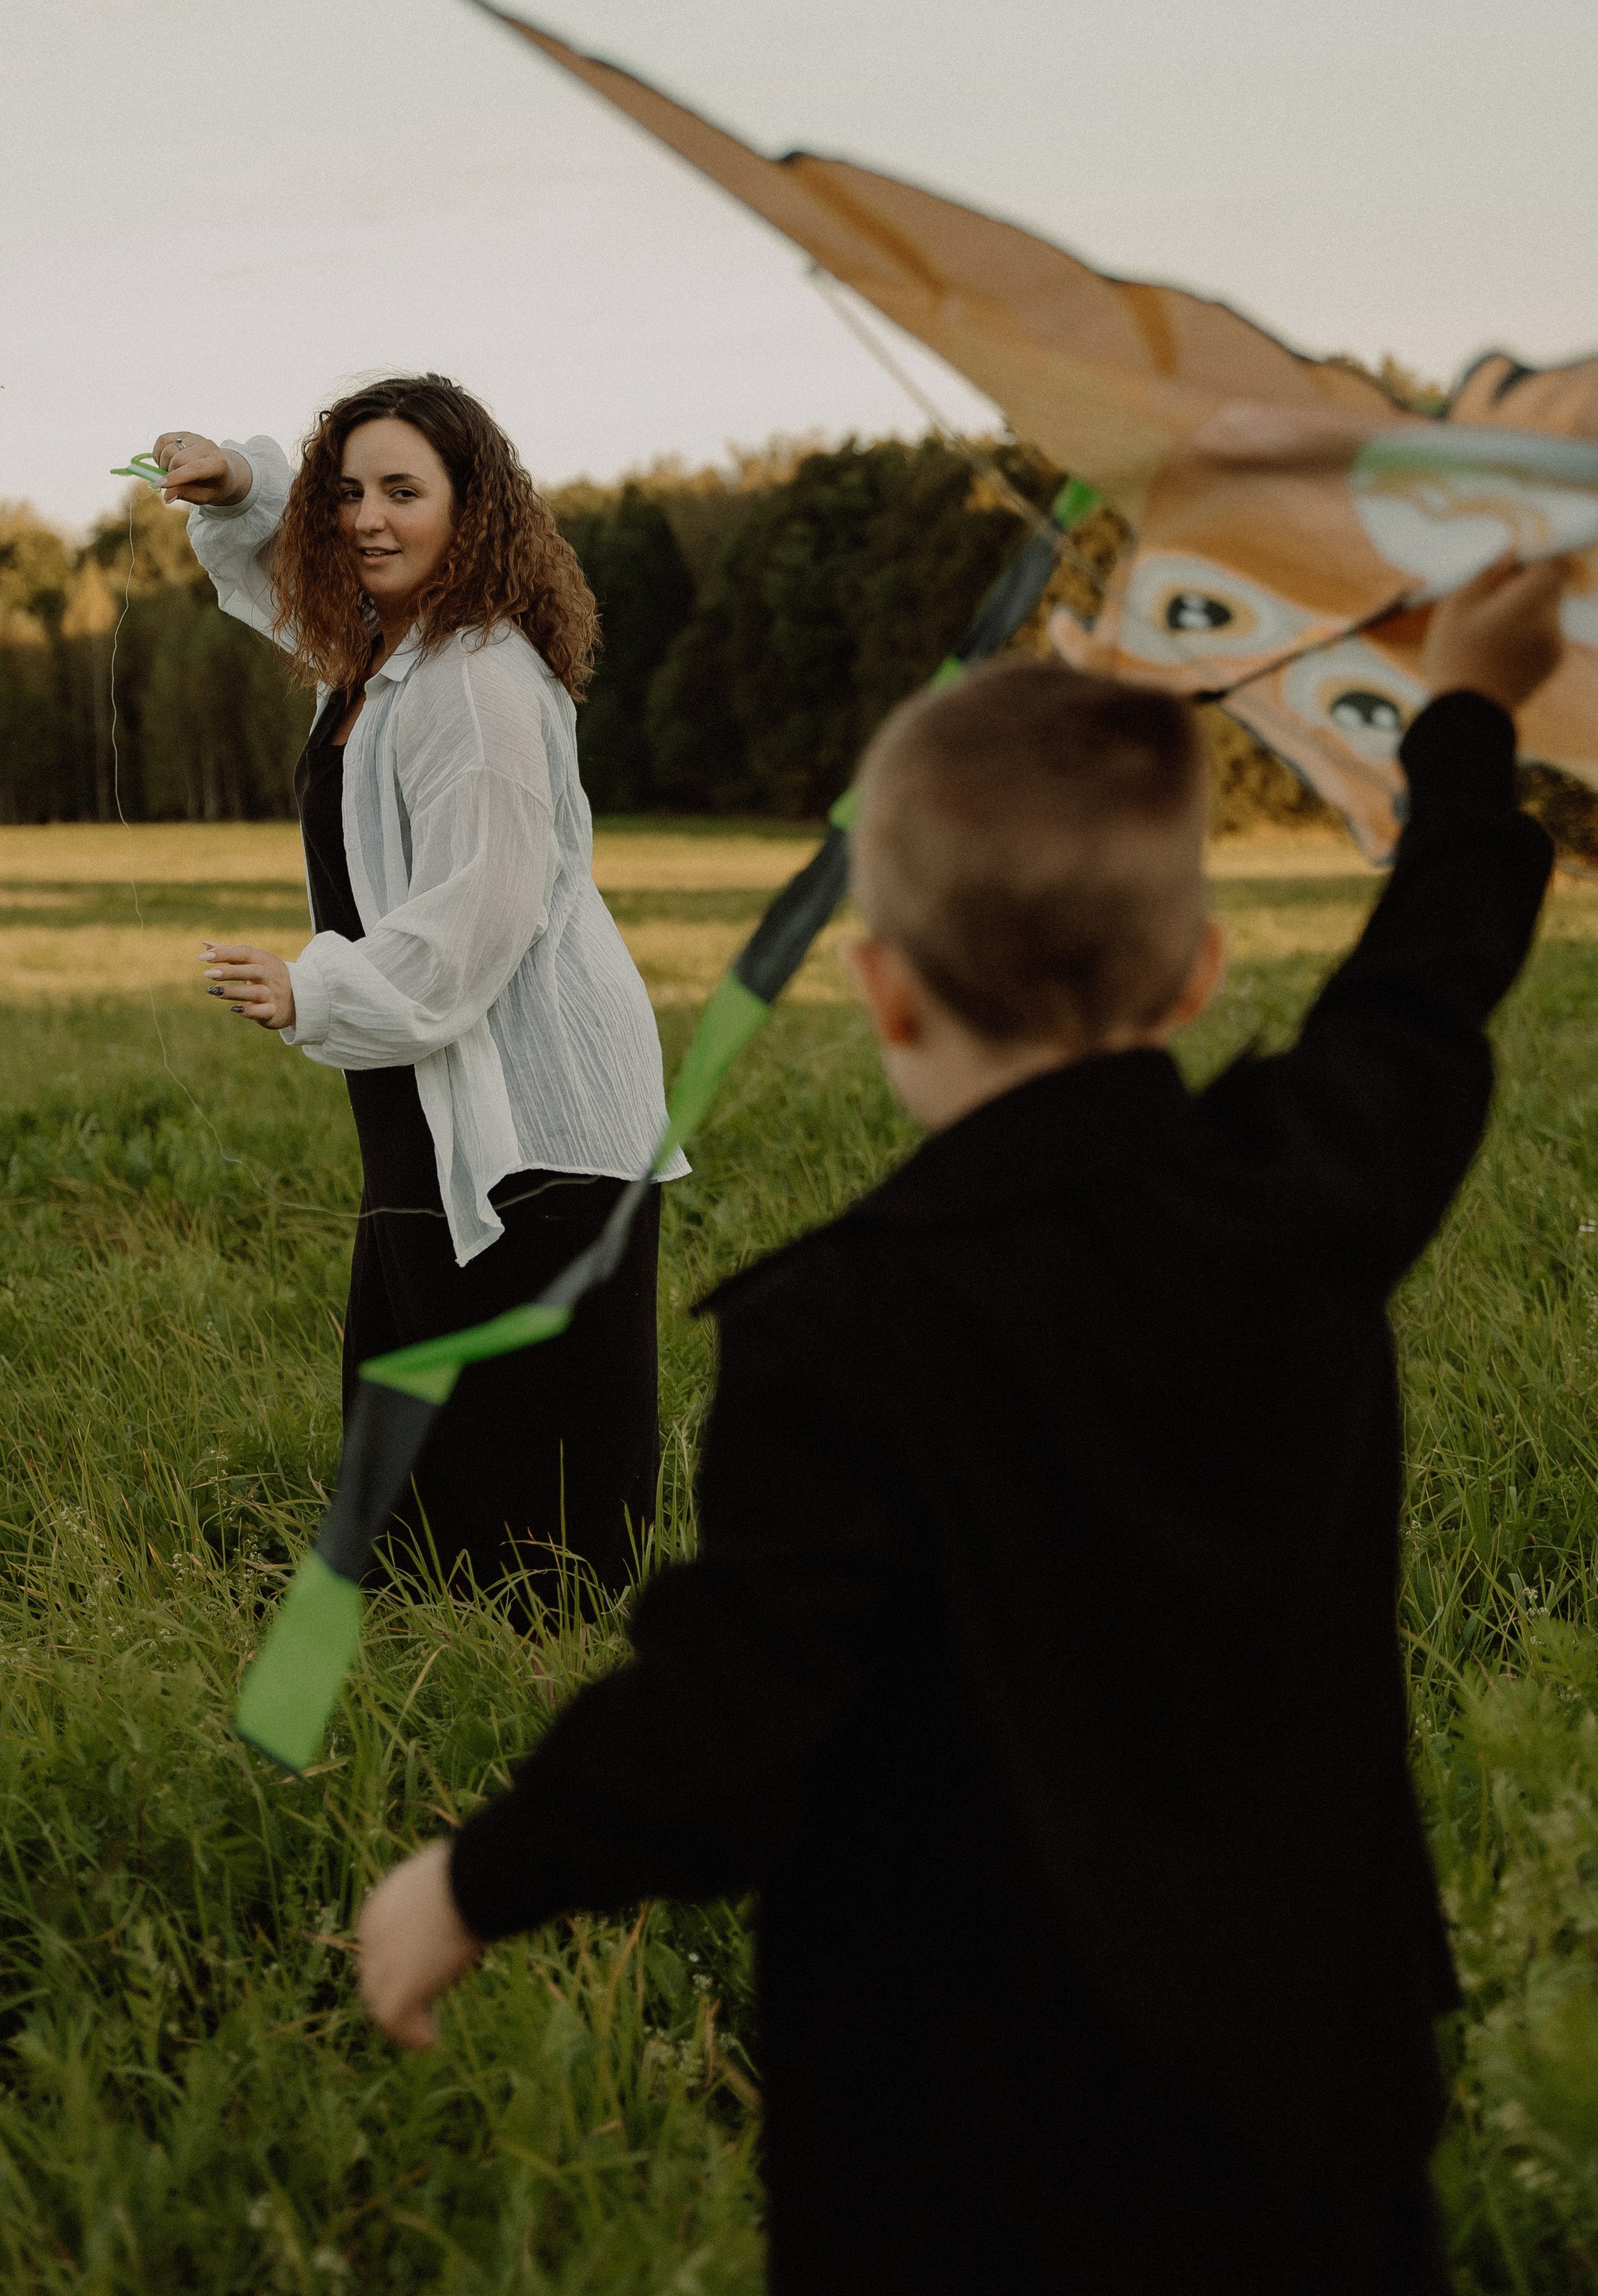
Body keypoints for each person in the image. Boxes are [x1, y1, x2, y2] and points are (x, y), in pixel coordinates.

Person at [353, 554, 1572, 2295]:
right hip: (1309, 2085)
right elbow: (1428, 972)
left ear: (885, 992)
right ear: (1200, 971)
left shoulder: (831, 1334)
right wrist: (1462, 711)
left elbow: (728, 1713)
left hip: (962, 2148)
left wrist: (477, 1878)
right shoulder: (1307, 1189)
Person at [151, 373, 684, 1599]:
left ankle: (558, 1704)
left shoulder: (476, 684)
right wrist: (241, 480)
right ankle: (438, 1665)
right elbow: (295, 565)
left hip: (535, 1120)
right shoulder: (388, 652)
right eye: (347, 493)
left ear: (475, 511)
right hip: (431, 1079)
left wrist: (313, 992)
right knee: (424, 1442)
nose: (368, 520)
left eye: (405, 492)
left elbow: (477, 914)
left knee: (543, 1505)